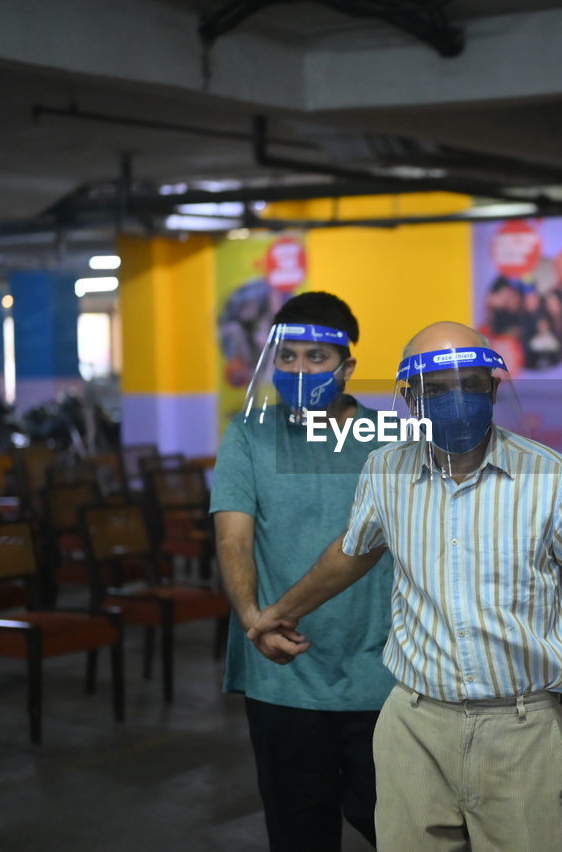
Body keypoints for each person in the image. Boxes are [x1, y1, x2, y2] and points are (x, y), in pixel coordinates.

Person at [247, 321, 562, 851]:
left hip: (520, 729)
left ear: (494, 389)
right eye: (437, 389)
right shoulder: (385, 471)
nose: (458, 400)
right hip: (413, 724)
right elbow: (352, 553)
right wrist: (279, 612)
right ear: (410, 397)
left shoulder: (551, 479)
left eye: (472, 384)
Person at [211, 292, 395, 851]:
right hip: (280, 675)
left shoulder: (387, 442)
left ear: (347, 366)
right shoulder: (248, 434)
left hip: (380, 675)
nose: (299, 369)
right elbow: (233, 537)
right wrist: (254, 620)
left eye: (317, 357)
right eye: (286, 357)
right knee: (298, 835)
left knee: (397, 829)